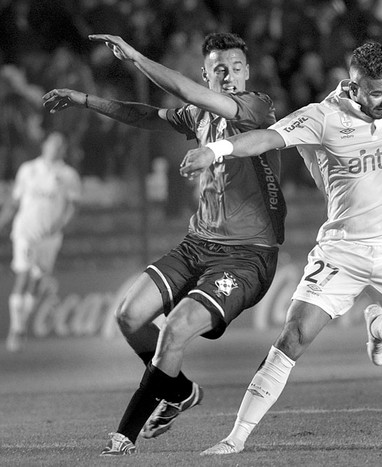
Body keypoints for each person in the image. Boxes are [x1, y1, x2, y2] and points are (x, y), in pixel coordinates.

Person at [179, 41, 382, 456]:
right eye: (377, 92)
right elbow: (266, 138)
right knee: (294, 335)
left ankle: (380, 326)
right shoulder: (322, 118)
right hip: (343, 250)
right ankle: (236, 438)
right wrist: (216, 149)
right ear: (353, 86)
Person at [42, 32, 285, 456]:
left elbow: (181, 89)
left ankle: (124, 436)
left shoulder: (257, 107)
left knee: (174, 329)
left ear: (248, 73)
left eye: (237, 68)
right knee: (128, 316)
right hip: (198, 244)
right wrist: (86, 100)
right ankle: (180, 391)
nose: (229, 77)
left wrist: (136, 56)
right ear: (205, 73)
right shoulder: (198, 116)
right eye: (219, 69)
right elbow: (144, 115)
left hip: (248, 257)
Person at [0, 131, 81, 352]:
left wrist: (61, 226)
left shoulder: (68, 175)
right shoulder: (27, 170)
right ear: (44, 145)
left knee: (36, 281)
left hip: (50, 238)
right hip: (25, 232)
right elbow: (15, 202)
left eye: (60, 145)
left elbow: (72, 207)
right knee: (24, 276)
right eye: (52, 143)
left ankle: (21, 325)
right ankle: (16, 329)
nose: (55, 148)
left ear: (64, 149)